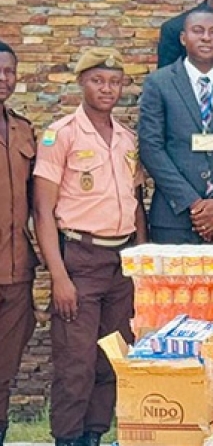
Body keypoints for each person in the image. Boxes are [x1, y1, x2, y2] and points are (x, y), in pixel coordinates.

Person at [32, 48, 148, 446]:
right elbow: (43, 213)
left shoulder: (128, 138)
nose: (107, 89)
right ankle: (67, 438)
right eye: (98, 80)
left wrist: (141, 261)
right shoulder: (61, 134)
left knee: (111, 358)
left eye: (115, 82)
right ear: (82, 82)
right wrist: (59, 277)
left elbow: (136, 205)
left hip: (121, 261)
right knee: (74, 363)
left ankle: (94, 435)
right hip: (79, 259)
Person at [140, 6, 213, 244]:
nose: (206, 37)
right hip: (175, 219)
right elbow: (151, 148)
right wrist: (196, 206)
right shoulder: (159, 83)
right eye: (198, 31)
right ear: (183, 38)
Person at [0, 41, 37, 446]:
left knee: (5, 369)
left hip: (15, 271)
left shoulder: (23, 130)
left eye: (9, 71)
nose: (3, 79)